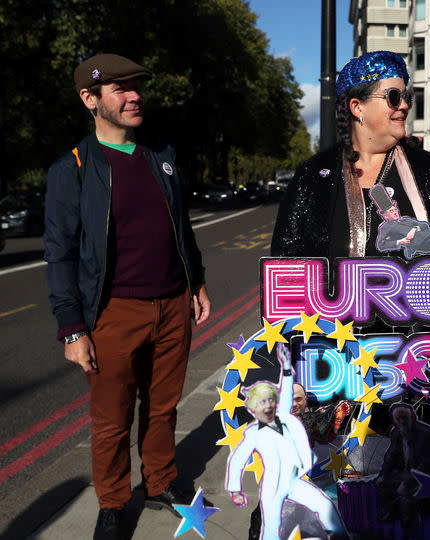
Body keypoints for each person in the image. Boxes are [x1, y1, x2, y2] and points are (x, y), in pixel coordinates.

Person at [44, 53, 211, 540]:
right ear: (90, 99)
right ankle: (113, 504)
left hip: (173, 303)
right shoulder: (72, 169)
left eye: (136, 86)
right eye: (119, 88)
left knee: (163, 407)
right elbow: (60, 256)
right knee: (111, 418)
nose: (134, 95)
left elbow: (181, 227)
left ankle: (159, 482)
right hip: (114, 312)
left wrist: (196, 280)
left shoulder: (162, 155)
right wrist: (73, 327)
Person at [271, 50, 430, 337]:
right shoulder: (312, 176)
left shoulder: (429, 171)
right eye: (392, 96)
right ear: (357, 107)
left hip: (413, 354)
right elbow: (286, 268)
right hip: (331, 357)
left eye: (406, 97)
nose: (403, 106)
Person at [226, 345, 347, 540]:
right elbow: (237, 460)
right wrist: (234, 489)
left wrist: (287, 369)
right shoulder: (254, 434)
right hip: (274, 486)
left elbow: (288, 395)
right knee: (271, 528)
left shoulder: (284, 417)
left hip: (294, 481)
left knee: (325, 507)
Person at [376, 403, 430, 529]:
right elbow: (391, 457)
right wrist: (385, 475)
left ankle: (407, 523)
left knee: (403, 490)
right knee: (381, 483)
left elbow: (428, 463)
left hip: (423, 476)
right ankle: (392, 512)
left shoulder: (425, 434)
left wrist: (410, 480)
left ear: (411, 418)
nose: (402, 421)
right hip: (404, 473)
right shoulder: (398, 435)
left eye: (404, 418)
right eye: (398, 419)